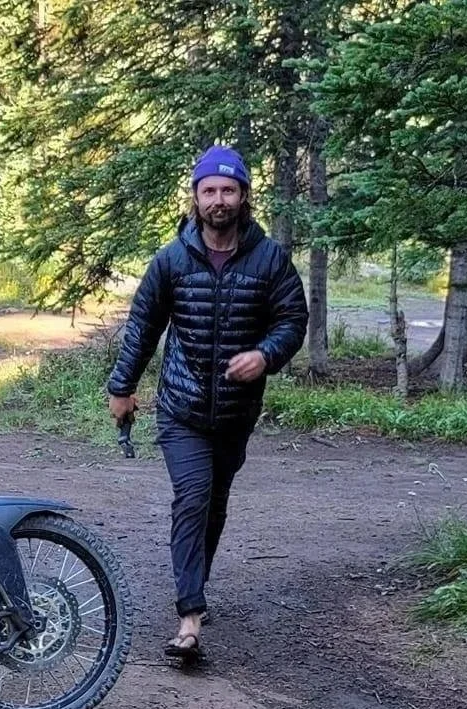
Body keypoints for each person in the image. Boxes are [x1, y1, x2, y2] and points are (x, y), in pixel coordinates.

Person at [106, 145, 308, 658]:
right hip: (182, 407)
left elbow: (292, 320)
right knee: (192, 498)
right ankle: (189, 619)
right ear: (196, 198)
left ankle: (197, 588)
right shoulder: (171, 260)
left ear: (244, 196)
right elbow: (143, 327)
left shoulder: (270, 259)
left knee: (214, 503)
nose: (218, 199)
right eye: (209, 190)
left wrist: (264, 355)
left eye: (228, 190)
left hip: (237, 412)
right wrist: (121, 387)